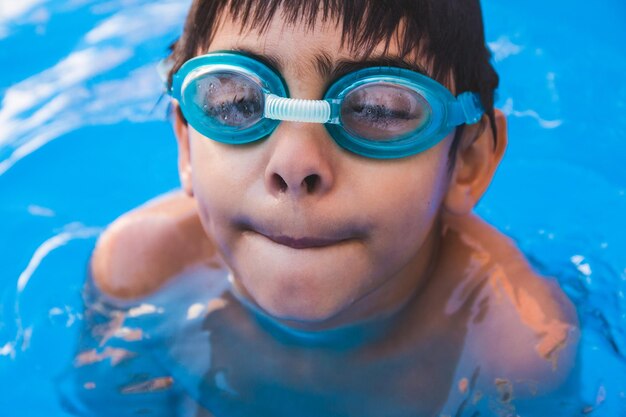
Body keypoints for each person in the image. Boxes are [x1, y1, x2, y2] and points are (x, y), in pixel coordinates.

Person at [60, 0, 582, 415]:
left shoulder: (514, 349)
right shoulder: (143, 273)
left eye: (378, 109)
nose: (295, 164)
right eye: (240, 101)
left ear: (467, 159)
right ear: (186, 144)